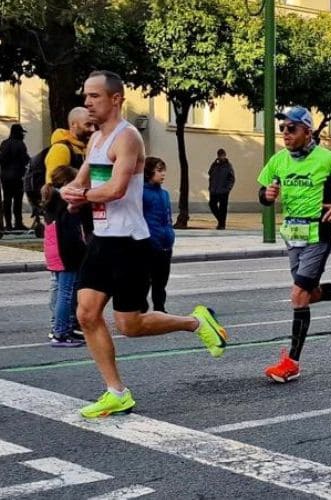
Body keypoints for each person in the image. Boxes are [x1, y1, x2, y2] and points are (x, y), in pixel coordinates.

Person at [60, 70, 228, 418]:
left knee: (129, 326)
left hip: (129, 243)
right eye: (85, 96)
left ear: (116, 98)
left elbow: (116, 189)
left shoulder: (128, 138)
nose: (87, 103)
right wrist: (70, 193)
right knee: (87, 314)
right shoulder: (95, 141)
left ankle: (196, 322)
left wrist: (82, 196)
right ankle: (116, 392)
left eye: (94, 96)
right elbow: (82, 181)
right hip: (102, 241)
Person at [257, 105, 331, 383]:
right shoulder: (278, 161)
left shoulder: (327, 158)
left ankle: (292, 363)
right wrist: (268, 195)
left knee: (298, 295)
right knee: (309, 294)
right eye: (283, 128)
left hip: (318, 232)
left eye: (291, 128)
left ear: (307, 131)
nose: (285, 133)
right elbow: (263, 194)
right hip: (292, 233)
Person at [42, 166, 92, 347]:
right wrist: (83, 250)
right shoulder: (64, 201)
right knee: (66, 293)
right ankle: (61, 333)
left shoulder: (51, 199)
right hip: (67, 252)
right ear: (66, 183)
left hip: (55, 251)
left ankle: (61, 328)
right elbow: (71, 234)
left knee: (61, 290)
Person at [142, 157, 175, 313]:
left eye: (164, 170)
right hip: (149, 244)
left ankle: (160, 308)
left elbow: (167, 217)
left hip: (165, 245)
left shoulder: (165, 194)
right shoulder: (141, 193)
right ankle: (141, 307)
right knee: (145, 280)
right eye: (159, 170)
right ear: (149, 172)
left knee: (161, 281)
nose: (163, 174)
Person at [45, 107, 94, 183]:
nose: (93, 129)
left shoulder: (86, 148)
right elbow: (53, 186)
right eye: (88, 125)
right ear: (73, 124)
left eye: (94, 125)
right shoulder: (60, 149)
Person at [0, 123, 31, 230]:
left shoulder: (4, 143)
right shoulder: (20, 144)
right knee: (17, 200)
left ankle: (8, 224)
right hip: (18, 177)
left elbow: (1, 159)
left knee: (7, 200)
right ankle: (18, 223)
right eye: (22, 132)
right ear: (18, 133)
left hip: (5, 177)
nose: (23, 134)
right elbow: (26, 160)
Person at [208, 148, 235, 230]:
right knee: (212, 205)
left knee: (223, 208)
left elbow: (232, 178)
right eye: (219, 155)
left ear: (225, 155)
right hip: (214, 190)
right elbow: (210, 173)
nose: (221, 157)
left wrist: (228, 188)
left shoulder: (228, 166)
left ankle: (222, 224)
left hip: (223, 191)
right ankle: (221, 221)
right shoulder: (215, 165)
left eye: (222, 155)